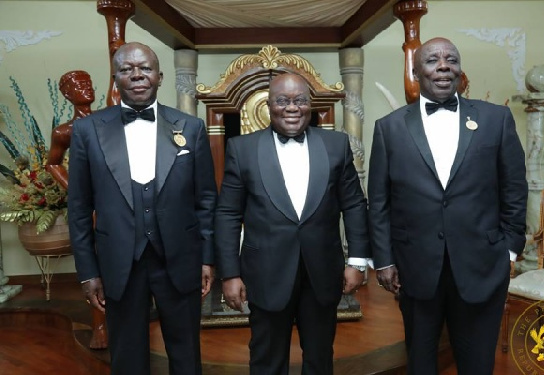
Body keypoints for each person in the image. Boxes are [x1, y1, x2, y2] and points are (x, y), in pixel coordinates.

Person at [368, 37, 527, 375]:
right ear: (415, 72)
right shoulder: (389, 128)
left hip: (482, 265)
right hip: (415, 268)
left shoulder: (496, 119)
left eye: (451, 59)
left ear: (459, 69)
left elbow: (514, 187)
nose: (443, 65)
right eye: (432, 60)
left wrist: (510, 250)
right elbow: (379, 201)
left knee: (477, 363)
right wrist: (383, 260)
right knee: (421, 362)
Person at [67, 42, 217, 375]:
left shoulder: (190, 128)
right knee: (128, 355)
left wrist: (207, 257)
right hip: (119, 263)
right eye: (126, 69)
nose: (137, 75)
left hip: (180, 259)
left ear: (159, 76)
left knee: (186, 353)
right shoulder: (88, 130)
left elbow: (206, 200)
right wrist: (88, 271)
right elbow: (78, 208)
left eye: (145, 68)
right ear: (115, 77)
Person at [215, 73, 370, 375]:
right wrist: (229, 273)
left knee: (320, 358)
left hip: (323, 272)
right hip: (265, 273)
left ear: (310, 104)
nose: (291, 107)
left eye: (299, 100)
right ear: (268, 104)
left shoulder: (336, 145)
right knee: (266, 360)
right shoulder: (242, 149)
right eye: (282, 100)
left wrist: (357, 261)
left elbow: (353, 204)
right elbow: (228, 214)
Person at [45, 70, 111, 350]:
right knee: (94, 263)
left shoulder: (111, 118)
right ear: (67, 95)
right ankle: (99, 326)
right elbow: (52, 163)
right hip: (90, 205)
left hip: (115, 200)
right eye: (77, 85)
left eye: (87, 82)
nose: (85, 87)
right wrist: (75, 189)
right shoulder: (65, 131)